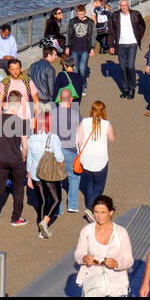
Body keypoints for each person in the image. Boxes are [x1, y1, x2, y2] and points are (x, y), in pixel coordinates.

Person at [73, 195, 133, 297]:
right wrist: (84, 258)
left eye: (103, 212)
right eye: (96, 212)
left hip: (117, 287)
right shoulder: (87, 230)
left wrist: (117, 264)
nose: (99, 216)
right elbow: (78, 254)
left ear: (111, 212)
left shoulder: (121, 232)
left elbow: (129, 261)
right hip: (93, 286)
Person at [0, 89, 29, 229]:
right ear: (17, 105)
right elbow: (25, 144)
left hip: (2, 159)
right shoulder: (21, 123)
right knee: (18, 189)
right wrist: (24, 157)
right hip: (16, 160)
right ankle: (16, 217)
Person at [27, 109, 64, 239]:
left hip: (36, 174)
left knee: (42, 200)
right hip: (49, 174)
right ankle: (45, 222)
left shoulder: (31, 139)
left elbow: (29, 160)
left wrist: (29, 176)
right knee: (56, 199)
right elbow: (59, 157)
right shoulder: (53, 138)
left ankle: (41, 228)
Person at [74, 101, 114, 219]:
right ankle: (90, 207)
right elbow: (112, 138)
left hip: (86, 159)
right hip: (100, 160)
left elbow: (79, 140)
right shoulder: (106, 124)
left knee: (90, 182)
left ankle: (89, 205)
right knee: (99, 186)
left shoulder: (85, 122)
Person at [107, 0, 146, 100]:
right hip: (121, 44)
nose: (123, 7)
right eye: (121, 6)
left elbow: (143, 25)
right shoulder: (115, 15)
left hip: (132, 44)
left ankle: (132, 88)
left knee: (130, 66)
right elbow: (111, 31)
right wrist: (111, 45)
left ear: (128, 5)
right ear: (119, 6)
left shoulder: (135, 14)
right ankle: (125, 89)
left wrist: (138, 37)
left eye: (125, 5)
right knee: (123, 67)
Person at [55, 86, 83, 214]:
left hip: (56, 150)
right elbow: (80, 134)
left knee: (57, 180)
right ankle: (72, 204)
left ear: (60, 99)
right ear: (71, 99)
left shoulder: (52, 114)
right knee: (74, 177)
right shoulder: (76, 115)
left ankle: (58, 208)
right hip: (71, 150)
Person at [66, 4, 95, 79]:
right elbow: (69, 34)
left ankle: (83, 83)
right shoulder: (72, 22)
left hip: (85, 49)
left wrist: (92, 48)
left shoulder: (90, 22)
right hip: (74, 49)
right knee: (75, 69)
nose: (80, 16)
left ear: (85, 12)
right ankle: (75, 84)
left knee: (82, 69)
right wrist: (67, 46)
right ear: (76, 12)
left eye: (82, 14)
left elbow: (93, 35)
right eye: (78, 14)